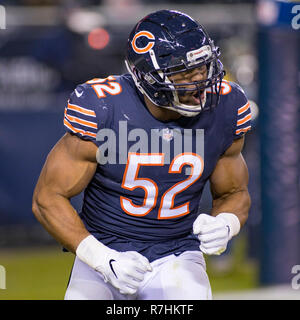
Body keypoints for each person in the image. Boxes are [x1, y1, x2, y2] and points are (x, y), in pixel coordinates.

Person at [32, 9, 251, 300]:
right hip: (104, 250)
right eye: (185, 71)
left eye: (204, 66)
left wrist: (227, 223)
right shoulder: (105, 108)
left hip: (176, 251)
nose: (201, 80)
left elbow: (235, 193)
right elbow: (47, 198)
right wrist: (100, 258)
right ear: (148, 78)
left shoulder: (226, 106)